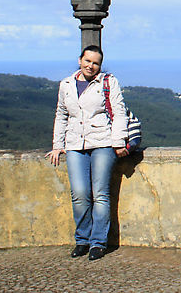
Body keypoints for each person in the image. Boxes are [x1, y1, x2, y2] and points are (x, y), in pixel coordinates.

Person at [45, 45, 128, 261]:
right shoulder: (66, 84)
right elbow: (61, 114)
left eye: (96, 63)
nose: (91, 66)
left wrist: (118, 141)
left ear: (100, 65)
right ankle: (82, 239)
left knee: (100, 193)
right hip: (75, 144)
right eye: (87, 61)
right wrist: (57, 144)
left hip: (102, 142)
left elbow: (119, 112)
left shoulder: (108, 82)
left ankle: (97, 243)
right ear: (80, 60)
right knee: (80, 194)